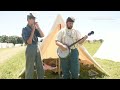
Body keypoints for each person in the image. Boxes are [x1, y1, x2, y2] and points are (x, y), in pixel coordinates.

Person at [22, 13, 44, 79]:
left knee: (40, 66)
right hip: (30, 48)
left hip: (36, 47)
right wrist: (33, 30)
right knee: (30, 68)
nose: (34, 20)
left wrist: (38, 27)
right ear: (28, 20)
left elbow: (43, 35)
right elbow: (29, 42)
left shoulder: (35, 28)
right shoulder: (25, 29)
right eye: (33, 19)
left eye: (34, 19)